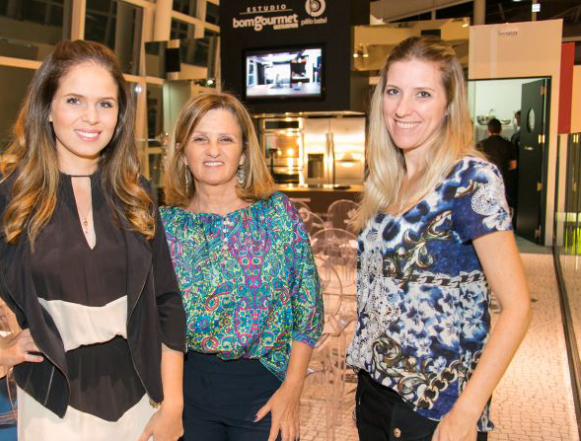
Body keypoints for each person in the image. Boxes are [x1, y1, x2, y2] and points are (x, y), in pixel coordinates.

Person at [0, 40, 186, 441]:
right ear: (47, 108)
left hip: (142, 399)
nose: (91, 118)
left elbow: (167, 301)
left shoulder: (137, 194)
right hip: (53, 404)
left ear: (120, 115)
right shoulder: (7, 194)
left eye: (105, 104)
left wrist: (174, 406)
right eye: (75, 100)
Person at [347, 36, 531, 441]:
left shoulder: (469, 179)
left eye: (423, 94)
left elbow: (517, 307)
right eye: (393, 92)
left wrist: (467, 411)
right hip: (375, 392)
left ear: (449, 104)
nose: (402, 108)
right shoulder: (384, 180)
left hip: (435, 404)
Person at [159, 92, 323, 441]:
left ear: (244, 153)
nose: (213, 150)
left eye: (226, 139)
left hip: (262, 386)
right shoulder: (165, 225)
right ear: (182, 152)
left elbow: (308, 308)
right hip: (186, 388)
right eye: (200, 139)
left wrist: (292, 389)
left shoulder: (276, 215)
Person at [476, 118, 517, 207]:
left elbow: (475, 165)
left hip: (486, 180)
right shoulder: (509, 145)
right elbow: (514, 166)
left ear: (488, 130)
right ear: (501, 130)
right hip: (504, 180)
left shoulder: (480, 145)